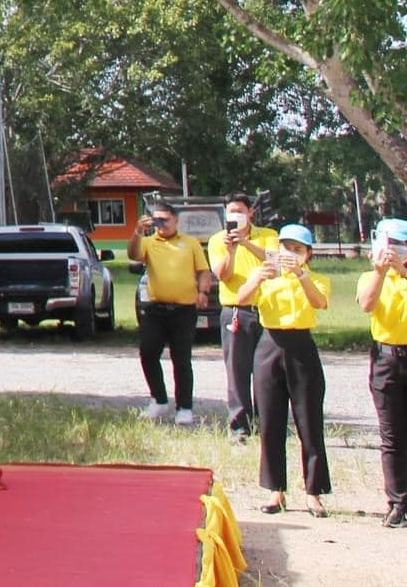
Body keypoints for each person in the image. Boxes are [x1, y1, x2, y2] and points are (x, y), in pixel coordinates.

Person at [238, 222, 331, 516]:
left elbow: (320, 302)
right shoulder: (266, 275)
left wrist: (300, 274)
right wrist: (257, 279)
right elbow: (240, 299)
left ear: (308, 254)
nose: (290, 254)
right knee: (270, 421)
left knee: (309, 421)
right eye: (286, 248)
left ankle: (314, 492)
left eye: (297, 249)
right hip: (269, 344)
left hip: (301, 346)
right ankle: (275, 490)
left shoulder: (314, 278)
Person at [128, 201, 212, 424]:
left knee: (181, 358)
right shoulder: (148, 242)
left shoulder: (190, 243)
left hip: (184, 309)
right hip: (155, 308)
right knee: (148, 352)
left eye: (165, 219)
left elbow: (203, 271)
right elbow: (133, 255)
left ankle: (184, 406)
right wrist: (137, 232)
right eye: (157, 220)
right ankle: (159, 399)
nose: (161, 224)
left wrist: (203, 292)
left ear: (176, 220)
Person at [209, 193, 278, 439]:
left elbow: (275, 261)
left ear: (251, 213)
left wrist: (246, 243)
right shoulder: (218, 240)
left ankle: (267, 423)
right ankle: (239, 426)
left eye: (239, 211)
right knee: (237, 370)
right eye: (230, 212)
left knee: (267, 370)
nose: (234, 216)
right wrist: (232, 250)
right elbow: (222, 275)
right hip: (236, 312)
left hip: (267, 311)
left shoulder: (268, 236)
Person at [358, 218, 407, 527]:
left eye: (399, 246)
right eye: (389, 246)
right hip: (387, 358)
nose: (392, 252)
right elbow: (366, 304)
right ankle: (398, 500)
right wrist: (381, 273)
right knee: (391, 435)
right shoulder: (370, 276)